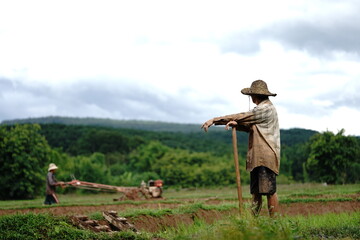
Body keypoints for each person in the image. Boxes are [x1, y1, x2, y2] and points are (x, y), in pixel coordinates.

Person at [201, 80, 280, 217]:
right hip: (257, 156)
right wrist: (235, 125)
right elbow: (249, 126)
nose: (251, 98)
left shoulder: (266, 109)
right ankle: (253, 222)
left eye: (251, 95)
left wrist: (215, 120)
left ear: (255, 96)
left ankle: (275, 222)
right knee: (256, 192)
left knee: (269, 191)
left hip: (266, 155)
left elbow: (243, 116)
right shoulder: (260, 110)